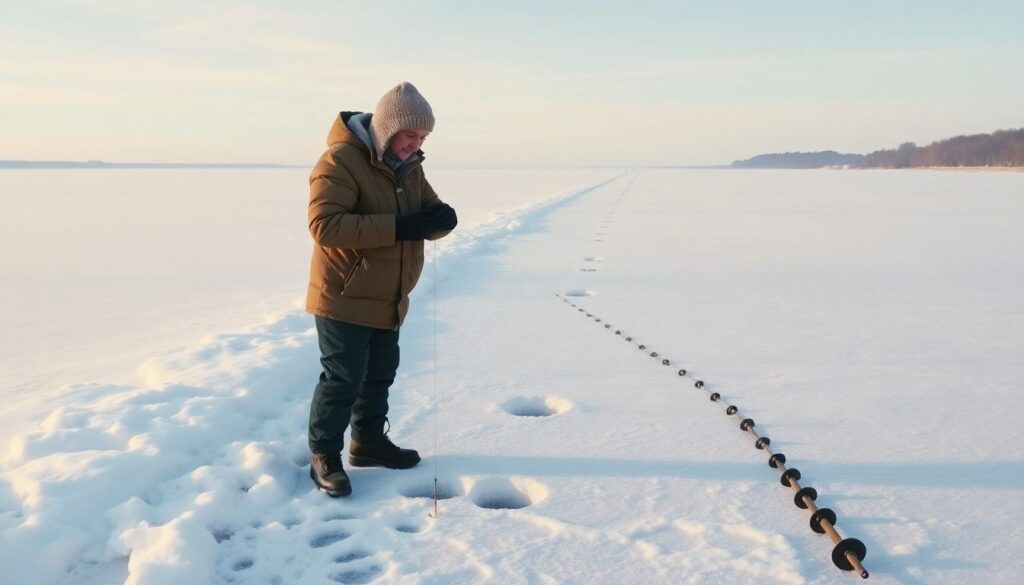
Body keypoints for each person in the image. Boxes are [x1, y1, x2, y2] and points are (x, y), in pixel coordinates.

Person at [305, 82, 457, 497]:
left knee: (379, 376)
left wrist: (442, 218)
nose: (417, 144)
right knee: (343, 379)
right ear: (388, 129)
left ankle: (368, 443)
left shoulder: (410, 167)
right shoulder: (340, 162)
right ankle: (324, 455)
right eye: (411, 135)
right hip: (344, 295)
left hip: (390, 294)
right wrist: (398, 227)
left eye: (424, 137)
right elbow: (325, 227)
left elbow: (427, 213)